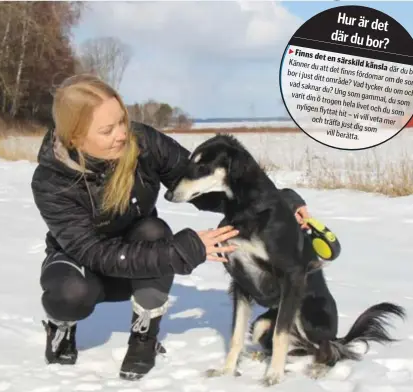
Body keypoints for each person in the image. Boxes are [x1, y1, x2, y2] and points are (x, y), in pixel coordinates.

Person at [31, 74, 311, 380]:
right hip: (83, 264)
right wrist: (186, 250)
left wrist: (280, 202)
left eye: (122, 121)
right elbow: (95, 252)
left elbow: (200, 187)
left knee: (154, 232)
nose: (122, 134)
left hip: (140, 252)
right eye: (107, 130)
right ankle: (61, 326)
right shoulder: (51, 182)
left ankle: (144, 335)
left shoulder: (144, 143)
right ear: (75, 138)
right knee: (71, 293)